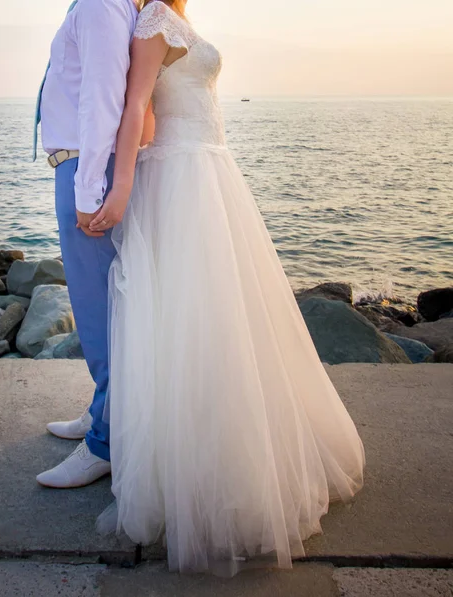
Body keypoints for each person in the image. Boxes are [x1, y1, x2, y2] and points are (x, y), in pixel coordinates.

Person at [90, 0, 366, 575]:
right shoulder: (153, 22)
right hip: (181, 177)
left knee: (229, 323)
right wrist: (121, 187)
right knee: (196, 320)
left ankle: (235, 459)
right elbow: (136, 103)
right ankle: (194, 479)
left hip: (211, 171)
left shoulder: (183, 22)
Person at [33, 0, 138, 488]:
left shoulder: (100, 3)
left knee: (99, 312)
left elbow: (102, 99)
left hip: (85, 169)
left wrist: (88, 186)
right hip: (80, 165)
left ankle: (107, 441)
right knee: (99, 306)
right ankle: (103, 408)